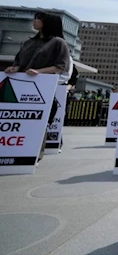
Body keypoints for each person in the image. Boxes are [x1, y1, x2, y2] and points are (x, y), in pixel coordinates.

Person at [4, 11, 71, 163]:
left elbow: (61, 66)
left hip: (41, 87)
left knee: (37, 120)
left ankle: (33, 153)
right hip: (20, 85)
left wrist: (39, 72)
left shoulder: (58, 42)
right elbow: (19, 61)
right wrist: (15, 68)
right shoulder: (29, 42)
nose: (34, 22)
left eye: (38, 20)